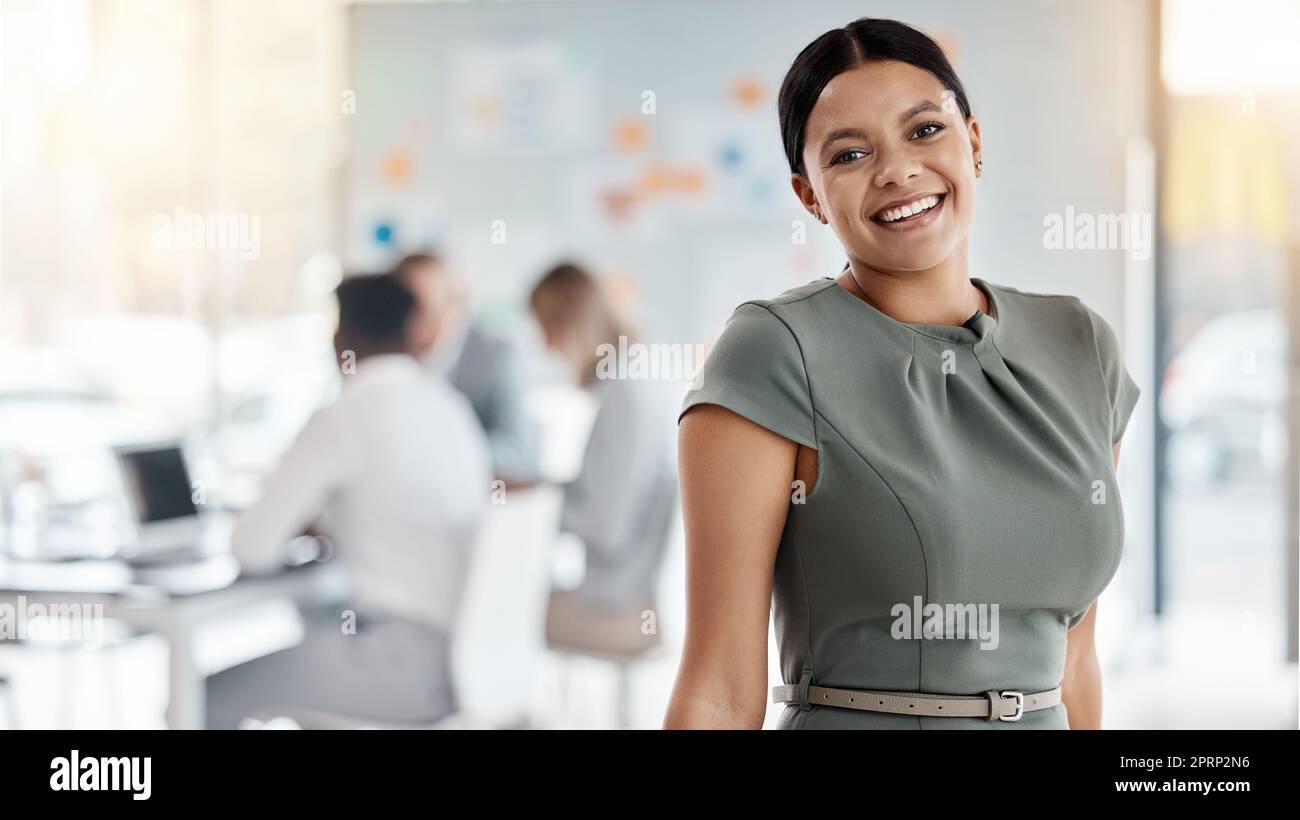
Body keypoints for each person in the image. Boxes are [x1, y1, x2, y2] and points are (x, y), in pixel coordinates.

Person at [664, 18, 1141, 729]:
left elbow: (1075, 661)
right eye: (850, 153)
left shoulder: (1079, 345)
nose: (896, 170)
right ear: (809, 196)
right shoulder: (774, 353)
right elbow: (721, 690)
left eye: (924, 131)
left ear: (972, 144)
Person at [205, 273, 492, 729]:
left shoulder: (346, 414)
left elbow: (251, 547)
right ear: (411, 333)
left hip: (395, 665)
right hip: (472, 658)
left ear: (340, 339)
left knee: (204, 699)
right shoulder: (451, 408)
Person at [528, 262, 678, 656]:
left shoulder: (624, 393)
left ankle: (515, 716)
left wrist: (537, 508)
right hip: (624, 593)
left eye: (547, 329)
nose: (545, 347)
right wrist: (546, 489)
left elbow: (607, 527)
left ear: (572, 324)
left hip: (616, 608)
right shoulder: (632, 378)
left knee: (496, 610)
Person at [395, 251, 543, 485]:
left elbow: (520, 454)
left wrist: (446, 452)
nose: (411, 318)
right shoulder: (392, 353)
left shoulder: (499, 356)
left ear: (453, 302)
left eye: (424, 306)